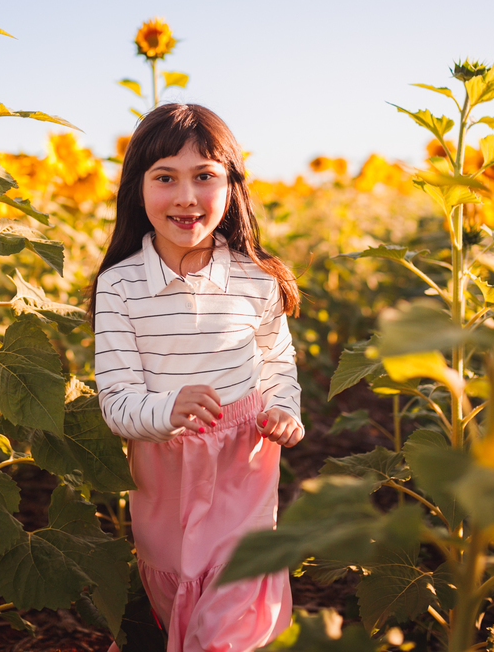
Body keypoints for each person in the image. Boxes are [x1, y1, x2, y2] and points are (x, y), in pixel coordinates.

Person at [90, 103, 303, 652]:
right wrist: (167, 410)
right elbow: (116, 401)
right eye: (165, 178)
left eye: (205, 176)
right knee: (175, 589)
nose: (186, 196)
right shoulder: (121, 286)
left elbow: (278, 364)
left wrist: (284, 411)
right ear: (137, 187)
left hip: (243, 459)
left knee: (233, 611)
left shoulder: (257, 279)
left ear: (232, 186)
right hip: (164, 468)